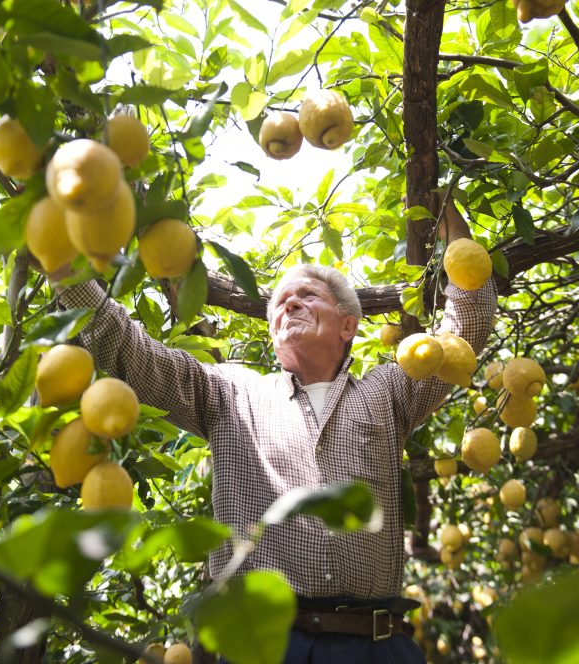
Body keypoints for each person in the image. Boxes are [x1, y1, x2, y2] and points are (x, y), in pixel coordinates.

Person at [46, 199, 496, 663]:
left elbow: (464, 333)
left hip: (375, 645)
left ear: (348, 325)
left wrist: (449, 227)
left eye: (308, 295)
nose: (290, 304)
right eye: (280, 302)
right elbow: (131, 354)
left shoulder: (387, 392)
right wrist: (62, 264)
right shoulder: (231, 392)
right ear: (273, 334)